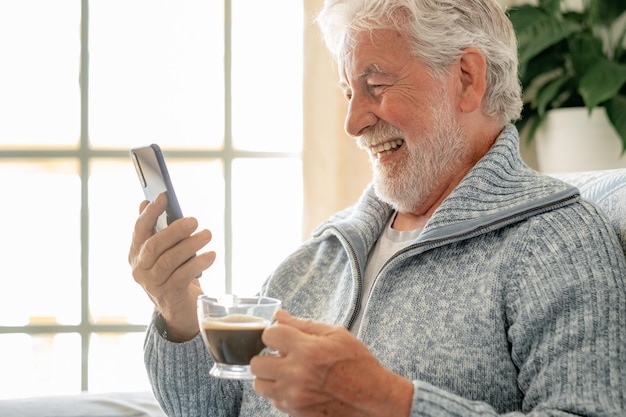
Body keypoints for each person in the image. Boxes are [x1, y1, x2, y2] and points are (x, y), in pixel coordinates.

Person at [128, 0, 626, 416]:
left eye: (377, 86)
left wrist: (390, 402)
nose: (352, 122)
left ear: (468, 79)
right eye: (348, 92)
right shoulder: (324, 253)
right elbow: (221, 409)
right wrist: (179, 310)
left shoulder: (558, 242)